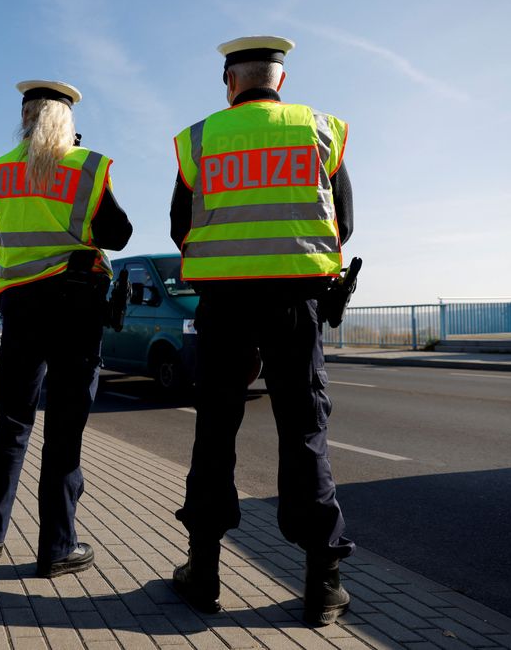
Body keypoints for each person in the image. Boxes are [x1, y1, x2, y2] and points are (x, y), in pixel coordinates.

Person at [169, 37, 355, 625]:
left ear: (230, 82)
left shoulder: (200, 139)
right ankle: (322, 584)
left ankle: (203, 574)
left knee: (215, 432)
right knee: (304, 432)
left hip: (223, 304)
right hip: (295, 301)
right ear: (282, 81)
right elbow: (342, 222)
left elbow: (180, 228)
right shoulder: (318, 129)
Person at [0, 79, 132, 578]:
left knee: (13, 420)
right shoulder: (85, 167)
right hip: (76, 306)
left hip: (21, 307)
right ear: (68, 123)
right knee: (64, 427)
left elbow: (9, 225)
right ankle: (57, 545)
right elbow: (118, 235)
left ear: (25, 117)